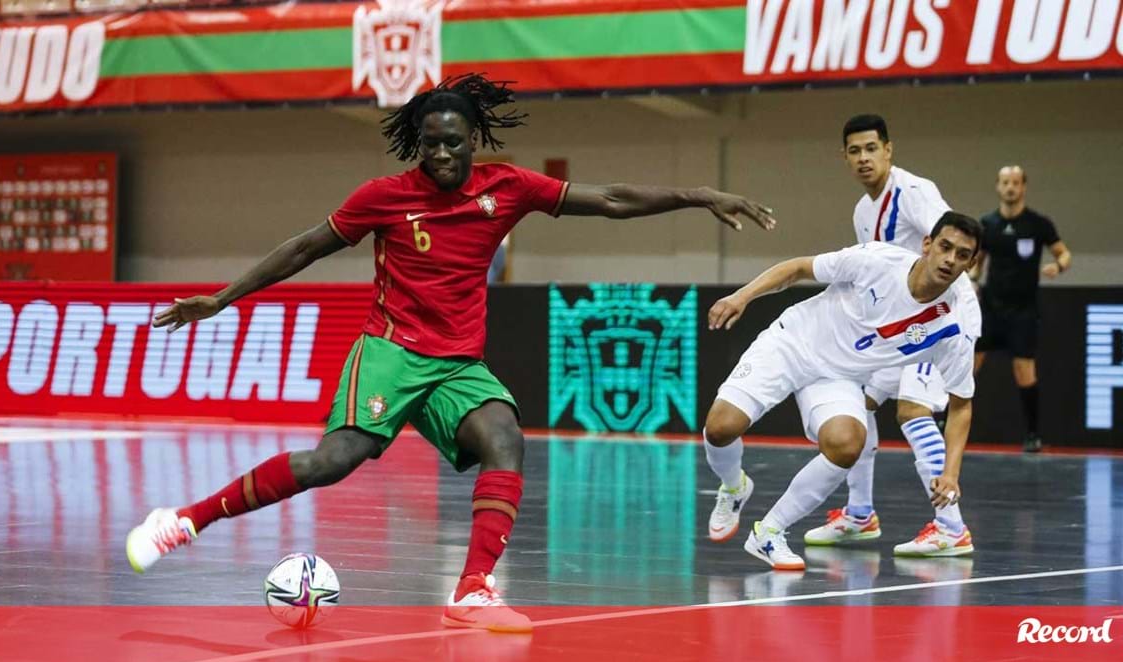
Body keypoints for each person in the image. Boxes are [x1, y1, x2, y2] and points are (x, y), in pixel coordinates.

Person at [123, 74, 776, 632]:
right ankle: (183, 520)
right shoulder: (384, 197)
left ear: (474, 143)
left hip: (457, 365)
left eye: (452, 142)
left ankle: (470, 590)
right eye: (430, 142)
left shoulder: (508, 188)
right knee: (332, 461)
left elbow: (606, 200)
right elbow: (304, 247)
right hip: (390, 351)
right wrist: (223, 297)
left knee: (505, 439)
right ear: (420, 143)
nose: (440, 153)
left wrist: (699, 195)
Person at [702, 213, 981, 570]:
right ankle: (734, 486)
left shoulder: (954, 326)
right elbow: (799, 268)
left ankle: (768, 532)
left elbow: (961, 406)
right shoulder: (878, 260)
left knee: (849, 442)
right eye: (945, 247)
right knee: (720, 428)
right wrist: (743, 296)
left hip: (839, 378)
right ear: (927, 244)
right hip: (791, 343)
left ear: (972, 263)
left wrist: (951, 474)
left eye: (962, 255)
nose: (949, 260)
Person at [782, 114, 981, 556]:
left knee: (913, 410)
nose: (864, 158)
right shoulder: (862, 211)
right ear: (845, 158)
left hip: (936, 318)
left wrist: (955, 318)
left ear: (889, 150)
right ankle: (859, 514)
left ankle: (951, 526)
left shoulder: (914, 193)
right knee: (859, 402)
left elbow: (952, 244)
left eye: (872, 148)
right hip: (895, 325)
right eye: (855, 151)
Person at [974, 166, 1071, 453]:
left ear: (1023, 187)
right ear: (998, 186)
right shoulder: (987, 224)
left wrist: (1059, 265)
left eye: (1015, 183)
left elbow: (1063, 252)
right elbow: (977, 261)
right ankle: (945, 424)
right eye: (1005, 182)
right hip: (990, 308)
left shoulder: (1038, 224)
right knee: (968, 368)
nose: (1010, 188)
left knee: (1024, 370)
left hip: (1023, 311)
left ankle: (1032, 434)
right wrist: (971, 281)